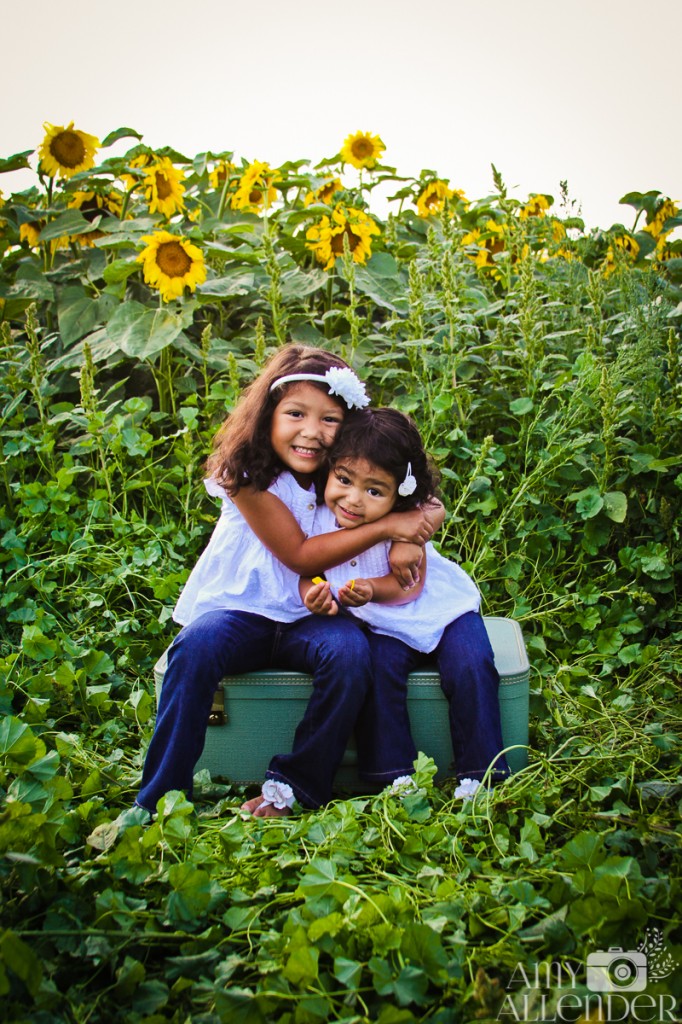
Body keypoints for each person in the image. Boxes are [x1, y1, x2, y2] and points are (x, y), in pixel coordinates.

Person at [132, 346, 436, 820]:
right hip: (244, 612)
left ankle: (295, 786)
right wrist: (387, 530)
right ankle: (159, 798)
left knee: (351, 655)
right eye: (295, 413)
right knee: (194, 648)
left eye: (330, 420)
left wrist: (411, 541)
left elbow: (424, 496)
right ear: (267, 415)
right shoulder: (247, 476)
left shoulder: (342, 474)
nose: (311, 432)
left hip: (308, 617)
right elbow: (297, 554)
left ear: (349, 427)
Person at [297, 406, 510, 796]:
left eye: (374, 491)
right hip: (383, 626)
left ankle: (481, 773)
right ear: (329, 468)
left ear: (399, 494)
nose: (353, 500)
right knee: (377, 671)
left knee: (472, 663)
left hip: (442, 611)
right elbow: (306, 568)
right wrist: (314, 589)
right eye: (343, 479)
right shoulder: (317, 518)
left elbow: (410, 588)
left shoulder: (407, 524)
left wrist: (376, 586)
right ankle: (394, 774)